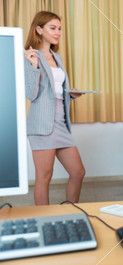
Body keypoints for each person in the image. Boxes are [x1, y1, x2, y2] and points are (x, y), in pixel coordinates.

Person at [24, 11, 86, 205]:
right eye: (53, 28)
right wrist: (33, 66)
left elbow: (55, 90)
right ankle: (44, 219)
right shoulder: (30, 55)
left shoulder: (56, 58)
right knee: (44, 177)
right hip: (42, 125)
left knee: (78, 171)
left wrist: (70, 93)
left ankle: (71, 211)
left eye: (59, 28)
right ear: (39, 29)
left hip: (60, 122)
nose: (58, 32)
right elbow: (31, 94)